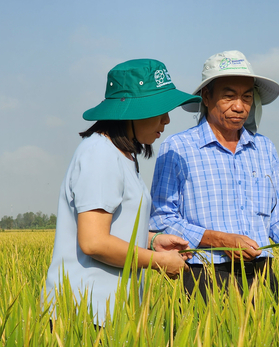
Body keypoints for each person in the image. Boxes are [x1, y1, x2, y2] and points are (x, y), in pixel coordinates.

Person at [149, 50, 279, 300]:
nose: (240, 106)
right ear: (207, 97)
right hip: (206, 275)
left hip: (263, 276)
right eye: (229, 96)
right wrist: (219, 240)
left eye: (247, 97)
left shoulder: (264, 148)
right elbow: (162, 218)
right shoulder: (178, 147)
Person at [44, 59, 200, 324]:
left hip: (109, 312)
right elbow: (94, 242)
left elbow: (114, 227)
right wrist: (158, 262)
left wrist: (152, 241)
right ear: (131, 111)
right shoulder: (99, 154)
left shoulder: (122, 156)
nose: (167, 119)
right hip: (84, 315)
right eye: (159, 109)